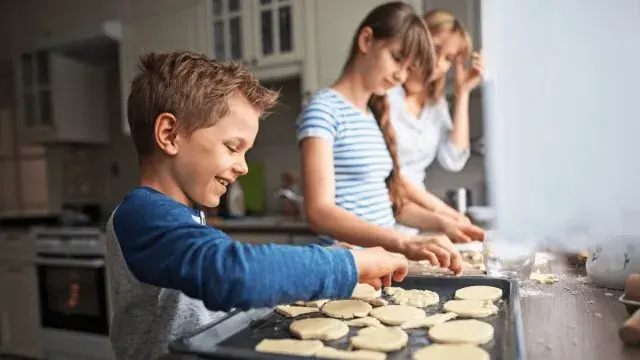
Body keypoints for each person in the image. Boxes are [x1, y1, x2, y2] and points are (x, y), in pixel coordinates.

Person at [105, 51, 409, 360]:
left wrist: (331, 261)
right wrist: (348, 264)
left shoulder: (185, 215)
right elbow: (233, 274)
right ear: (169, 134)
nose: (243, 167)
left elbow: (221, 310)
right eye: (233, 147)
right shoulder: (142, 214)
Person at [297, 2, 484, 272]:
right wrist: (404, 242)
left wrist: (442, 223)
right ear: (366, 40)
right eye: (397, 58)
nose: (400, 75)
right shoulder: (323, 109)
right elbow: (319, 212)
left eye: (409, 68)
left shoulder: (371, 115)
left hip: (381, 266)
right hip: (350, 267)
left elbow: (391, 206)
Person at [387, 9, 484, 235]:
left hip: (413, 224)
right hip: (381, 216)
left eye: (449, 58)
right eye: (435, 47)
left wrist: (463, 93)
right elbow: (388, 175)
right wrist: (445, 215)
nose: (438, 62)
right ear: (416, 39)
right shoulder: (385, 94)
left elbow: (453, 160)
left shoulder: (435, 105)